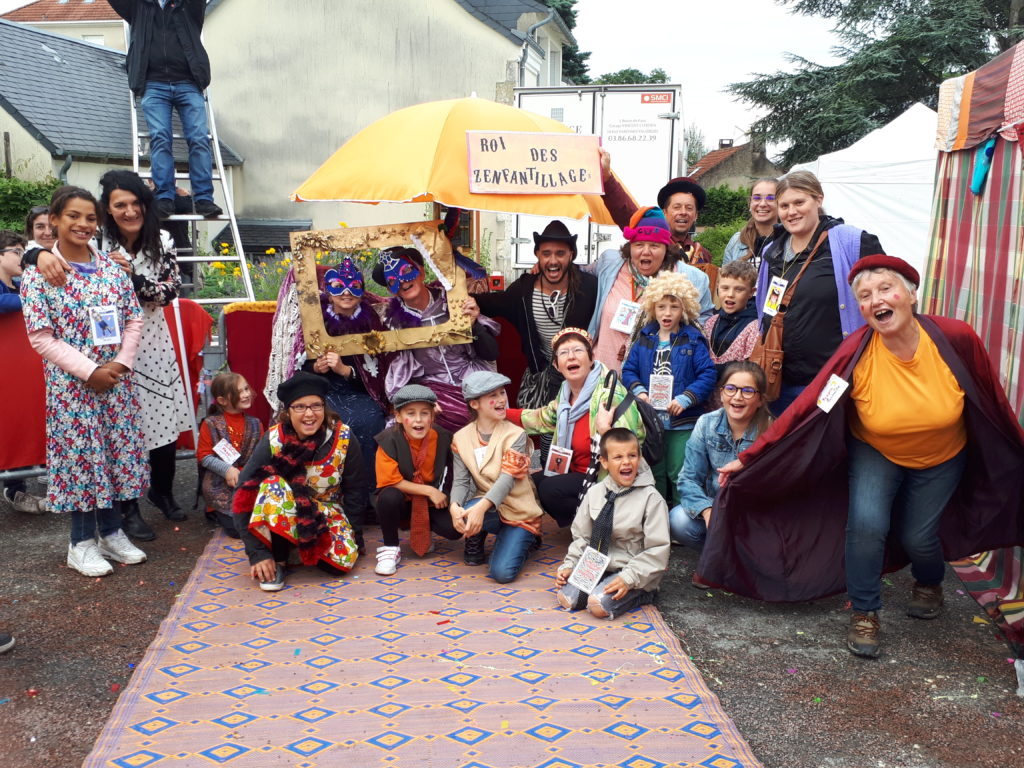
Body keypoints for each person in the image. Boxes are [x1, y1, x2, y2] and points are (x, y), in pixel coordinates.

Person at [702, 255, 1024, 659]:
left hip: (942, 455)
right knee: (867, 525)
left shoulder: (955, 338)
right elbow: (810, 407)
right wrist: (753, 456)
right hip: (875, 450)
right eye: (865, 296)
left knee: (919, 537)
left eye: (886, 289)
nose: (876, 300)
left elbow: (989, 398)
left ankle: (929, 581)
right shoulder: (856, 351)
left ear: (911, 295)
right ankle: (865, 611)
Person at [30, 170, 193, 539]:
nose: (129, 211)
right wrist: (37, 254)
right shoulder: (94, 238)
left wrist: (131, 279)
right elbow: (43, 251)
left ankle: (162, 491)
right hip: (101, 348)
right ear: (108, 209)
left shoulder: (162, 240)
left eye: (135, 203)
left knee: (162, 422)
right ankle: (126, 510)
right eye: (120, 205)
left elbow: (170, 290)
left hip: (151, 339)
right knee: (121, 429)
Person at [20, 186, 149, 576]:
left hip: (116, 381)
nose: (83, 224)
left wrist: (120, 364)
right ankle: (80, 543)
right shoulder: (39, 274)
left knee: (114, 454)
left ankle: (111, 532)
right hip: (73, 388)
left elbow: (133, 318)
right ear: (54, 221)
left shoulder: (111, 268)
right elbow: (41, 337)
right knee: (82, 459)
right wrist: (90, 371)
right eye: (73, 216)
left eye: (91, 218)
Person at [754, 170, 884, 414]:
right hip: (781, 382)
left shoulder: (851, 243)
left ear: (818, 199)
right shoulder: (773, 251)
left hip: (835, 380)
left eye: (799, 202)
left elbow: (887, 299)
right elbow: (765, 311)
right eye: (784, 206)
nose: (791, 212)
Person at [232, 372, 365, 592]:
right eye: (300, 407)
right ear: (288, 412)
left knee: (342, 564)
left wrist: (355, 536)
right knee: (273, 484)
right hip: (284, 510)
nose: (309, 414)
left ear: (324, 407)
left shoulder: (344, 437)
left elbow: (355, 491)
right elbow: (243, 492)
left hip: (326, 514)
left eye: (316, 406)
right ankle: (279, 559)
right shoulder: (274, 439)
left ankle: (296, 547)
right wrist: (257, 554)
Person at [506, 328, 645, 527]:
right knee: (531, 483)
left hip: (603, 477)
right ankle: (581, 526)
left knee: (550, 490)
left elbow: (629, 448)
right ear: (556, 365)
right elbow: (543, 419)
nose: (571, 356)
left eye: (578, 350)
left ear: (591, 359)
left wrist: (605, 430)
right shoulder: (565, 394)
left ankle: (600, 525)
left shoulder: (610, 395)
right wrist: (502, 414)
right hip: (575, 471)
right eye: (563, 353)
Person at [110, 0, 222, 219]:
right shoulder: (139, 6)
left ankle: (204, 199)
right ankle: (164, 197)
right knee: (160, 136)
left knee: (199, 138)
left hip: (188, 82)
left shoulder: (187, 5)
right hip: (154, 84)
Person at [473, 220, 598, 409]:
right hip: (540, 379)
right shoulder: (524, 290)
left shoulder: (589, 287)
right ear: (537, 255)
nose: (553, 260)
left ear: (571, 255)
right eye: (546, 253)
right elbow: (492, 303)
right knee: (540, 425)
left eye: (560, 253)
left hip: (581, 380)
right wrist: (459, 299)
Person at [378, 245, 500, 431]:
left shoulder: (453, 302)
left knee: (491, 416)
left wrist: (474, 324)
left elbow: (491, 352)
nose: (402, 282)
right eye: (393, 279)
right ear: (390, 289)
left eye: (407, 271)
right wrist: (421, 396)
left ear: (421, 272)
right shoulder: (394, 322)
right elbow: (400, 374)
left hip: (472, 377)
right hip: (432, 386)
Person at [555, 428, 670, 619]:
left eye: (632, 455)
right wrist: (570, 564)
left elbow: (657, 549)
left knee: (597, 606)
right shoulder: (595, 493)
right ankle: (600, 583)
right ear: (604, 462)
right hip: (597, 565)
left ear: (640, 458)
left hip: (633, 571)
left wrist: (628, 578)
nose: (626, 462)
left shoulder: (652, 498)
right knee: (567, 599)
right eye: (618, 457)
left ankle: (645, 593)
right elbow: (582, 536)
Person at [622, 271, 716, 505]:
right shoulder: (645, 337)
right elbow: (629, 370)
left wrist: (686, 398)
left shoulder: (693, 339)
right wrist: (640, 392)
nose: (667, 313)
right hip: (650, 420)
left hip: (681, 421)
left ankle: (682, 517)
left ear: (685, 309)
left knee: (679, 472)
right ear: (652, 308)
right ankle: (658, 517)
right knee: (654, 473)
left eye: (674, 307)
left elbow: (708, 374)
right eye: (661, 306)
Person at [585, 206, 712, 373]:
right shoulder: (610, 263)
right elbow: (577, 274)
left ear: (666, 248)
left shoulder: (692, 278)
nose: (646, 252)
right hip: (603, 375)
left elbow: (703, 325)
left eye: (654, 245)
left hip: (654, 376)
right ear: (630, 247)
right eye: (639, 244)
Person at [306, 257, 391, 498]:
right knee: (328, 421)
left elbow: (380, 368)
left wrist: (345, 370)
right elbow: (300, 361)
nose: (346, 293)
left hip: (361, 391)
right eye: (338, 287)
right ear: (328, 292)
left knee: (371, 419)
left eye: (353, 287)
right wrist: (317, 368)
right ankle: (329, 493)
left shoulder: (371, 320)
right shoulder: (315, 320)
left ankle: (367, 495)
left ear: (361, 291)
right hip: (325, 391)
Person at [449, 371, 543, 581]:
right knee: (462, 512)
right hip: (489, 507)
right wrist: (454, 506)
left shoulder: (516, 434)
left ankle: (527, 538)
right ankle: (480, 537)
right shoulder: (460, 438)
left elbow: (507, 480)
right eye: (493, 395)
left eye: (502, 393)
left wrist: (479, 510)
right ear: (474, 404)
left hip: (519, 510)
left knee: (502, 573)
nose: (501, 399)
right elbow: (461, 481)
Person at [670, 361, 772, 553]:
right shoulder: (706, 423)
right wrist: (708, 512)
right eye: (731, 388)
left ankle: (745, 558)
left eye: (748, 391)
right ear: (721, 393)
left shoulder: (770, 430)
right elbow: (688, 479)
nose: (737, 397)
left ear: (760, 399)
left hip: (754, 515)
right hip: (716, 507)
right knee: (678, 520)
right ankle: (719, 556)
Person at [373, 385, 461, 576]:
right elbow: (391, 481)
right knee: (388, 497)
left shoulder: (444, 437)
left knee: (454, 530)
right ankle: (390, 548)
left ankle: (424, 529)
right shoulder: (388, 440)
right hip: (402, 500)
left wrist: (446, 497)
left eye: (425, 413)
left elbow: (456, 472)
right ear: (398, 416)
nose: (418, 420)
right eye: (410, 413)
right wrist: (430, 491)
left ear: (432, 416)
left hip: (430, 502)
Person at [599, 149, 714, 266]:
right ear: (664, 212)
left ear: (696, 215)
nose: (683, 212)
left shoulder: (703, 256)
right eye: (677, 207)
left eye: (689, 208)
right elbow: (626, 211)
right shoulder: (651, 237)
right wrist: (606, 178)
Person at [0, 230, 47, 514]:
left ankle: (20, 484)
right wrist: (32, 297)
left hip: (24, 372)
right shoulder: (19, 290)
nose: (22, 257)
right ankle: (14, 489)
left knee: (23, 421)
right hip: (6, 373)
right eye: (16, 252)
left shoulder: (20, 285)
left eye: (23, 251)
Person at [196, 372, 262, 538]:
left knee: (261, 519)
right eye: (239, 392)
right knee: (238, 529)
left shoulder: (256, 423)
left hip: (249, 481)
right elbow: (204, 456)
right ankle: (214, 510)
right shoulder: (210, 424)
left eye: (246, 389)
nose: (246, 394)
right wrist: (227, 470)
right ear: (222, 400)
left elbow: (261, 455)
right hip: (221, 483)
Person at [703, 260, 761, 372]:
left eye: (739, 289)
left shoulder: (754, 328)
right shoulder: (710, 322)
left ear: (751, 292)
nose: (730, 294)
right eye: (725, 288)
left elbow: (750, 369)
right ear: (718, 288)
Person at [722, 179, 780, 269]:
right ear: (750, 203)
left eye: (770, 198)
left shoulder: (789, 241)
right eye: (757, 198)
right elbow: (725, 276)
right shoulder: (736, 241)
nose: (762, 204)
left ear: (781, 203)